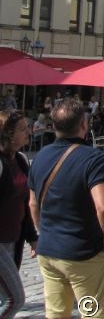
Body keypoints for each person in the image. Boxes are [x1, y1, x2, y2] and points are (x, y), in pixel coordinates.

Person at [28, 99, 104, 318]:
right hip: (82, 251)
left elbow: (32, 203)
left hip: (48, 250)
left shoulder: (40, 156)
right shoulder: (93, 158)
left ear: (54, 125)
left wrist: (44, 232)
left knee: (56, 313)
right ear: (84, 125)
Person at [0, 111, 37, 318]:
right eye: (23, 129)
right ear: (9, 134)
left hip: (13, 240)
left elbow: (25, 202)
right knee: (15, 299)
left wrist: (32, 237)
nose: (28, 132)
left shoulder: (21, 160)